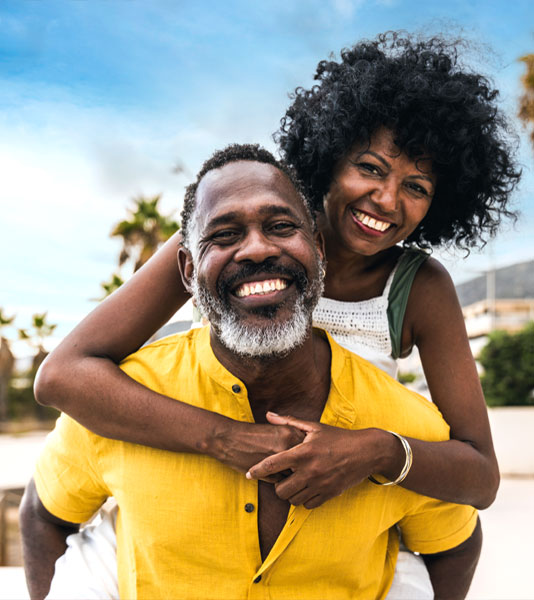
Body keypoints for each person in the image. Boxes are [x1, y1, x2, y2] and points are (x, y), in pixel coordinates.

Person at [33, 33, 519, 596]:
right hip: (195, 496)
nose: (387, 199)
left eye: (416, 186)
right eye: (369, 167)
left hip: (343, 512)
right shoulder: (232, 238)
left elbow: (479, 474)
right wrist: (226, 438)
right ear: (328, 159)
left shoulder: (419, 285)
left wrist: (376, 450)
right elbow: (64, 374)